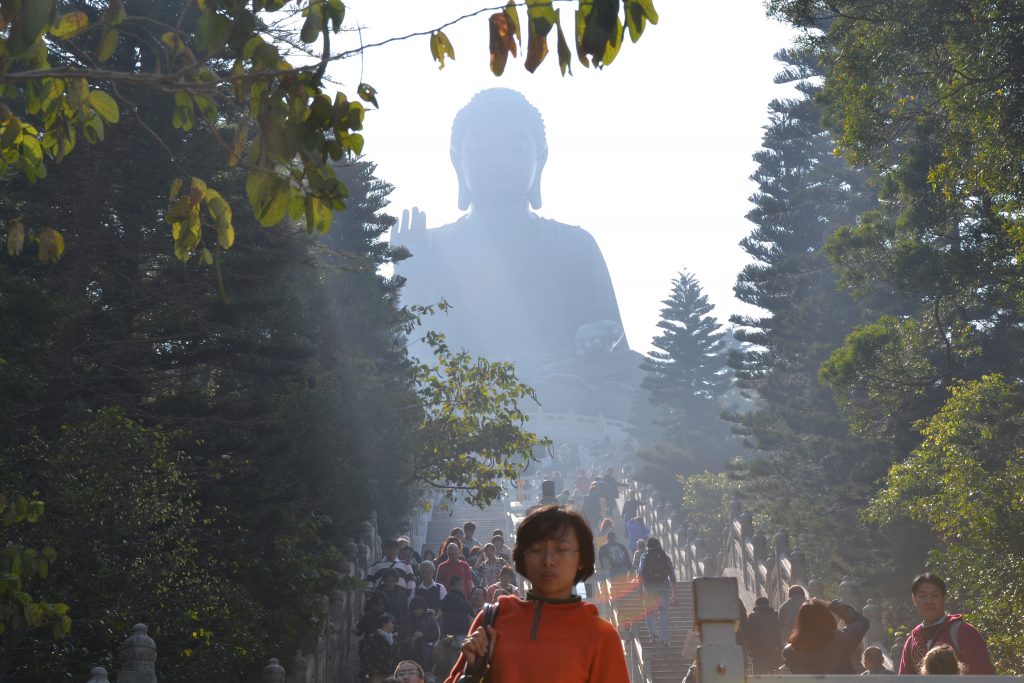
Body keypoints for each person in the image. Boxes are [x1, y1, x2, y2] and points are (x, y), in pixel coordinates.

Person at [445, 504, 630, 683]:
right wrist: (475, 671)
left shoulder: (601, 637)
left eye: (561, 549)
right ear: (522, 558)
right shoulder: (492, 621)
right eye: (536, 550)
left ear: (581, 558)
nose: (548, 560)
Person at [898, 573, 994, 675]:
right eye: (922, 596)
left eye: (935, 595)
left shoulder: (965, 633)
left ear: (944, 598)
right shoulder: (912, 642)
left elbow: (983, 676)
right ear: (914, 599)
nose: (929, 601)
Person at [782, 598, 868, 674]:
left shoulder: (789, 652)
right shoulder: (842, 640)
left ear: (800, 622)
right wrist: (830, 605)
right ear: (827, 618)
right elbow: (861, 621)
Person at [637, 537, 677, 647]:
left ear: (647, 546)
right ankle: (665, 639)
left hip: (649, 588)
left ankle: (654, 635)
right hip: (663, 588)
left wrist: (640, 590)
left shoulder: (644, 557)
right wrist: (674, 594)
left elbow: (640, 575)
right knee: (664, 613)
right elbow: (672, 576)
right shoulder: (665, 557)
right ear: (659, 545)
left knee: (650, 612)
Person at [399, 597, 440, 674]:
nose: (418, 611)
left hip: (426, 654)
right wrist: (411, 637)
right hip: (409, 653)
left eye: (420, 608)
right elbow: (401, 637)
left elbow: (436, 635)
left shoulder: (429, 618)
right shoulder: (407, 619)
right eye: (416, 609)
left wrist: (422, 635)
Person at [360, 612, 400, 683]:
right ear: (384, 623)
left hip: (390, 673)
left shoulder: (393, 639)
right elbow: (366, 656)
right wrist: (373, 669)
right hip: (377, 674)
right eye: (391, 623)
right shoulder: (373, 638)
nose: (393, 625)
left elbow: (396, 656)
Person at [746, 597, 783, 674]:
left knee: (758, 678)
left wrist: (750, 649)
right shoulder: (776, 615)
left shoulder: (752, 617)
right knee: (774, 677)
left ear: (756, 605)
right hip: (773, 651)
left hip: (758, 652)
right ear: (768, 604)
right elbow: (779, 633)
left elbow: (749, 634)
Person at [440, 575, 476, 640]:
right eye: (459, 585)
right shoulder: (450, 597)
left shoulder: (461, 598)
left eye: (462, 585)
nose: (462, 587)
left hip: (459, 631)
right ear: (452, 587)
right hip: (453, 631)